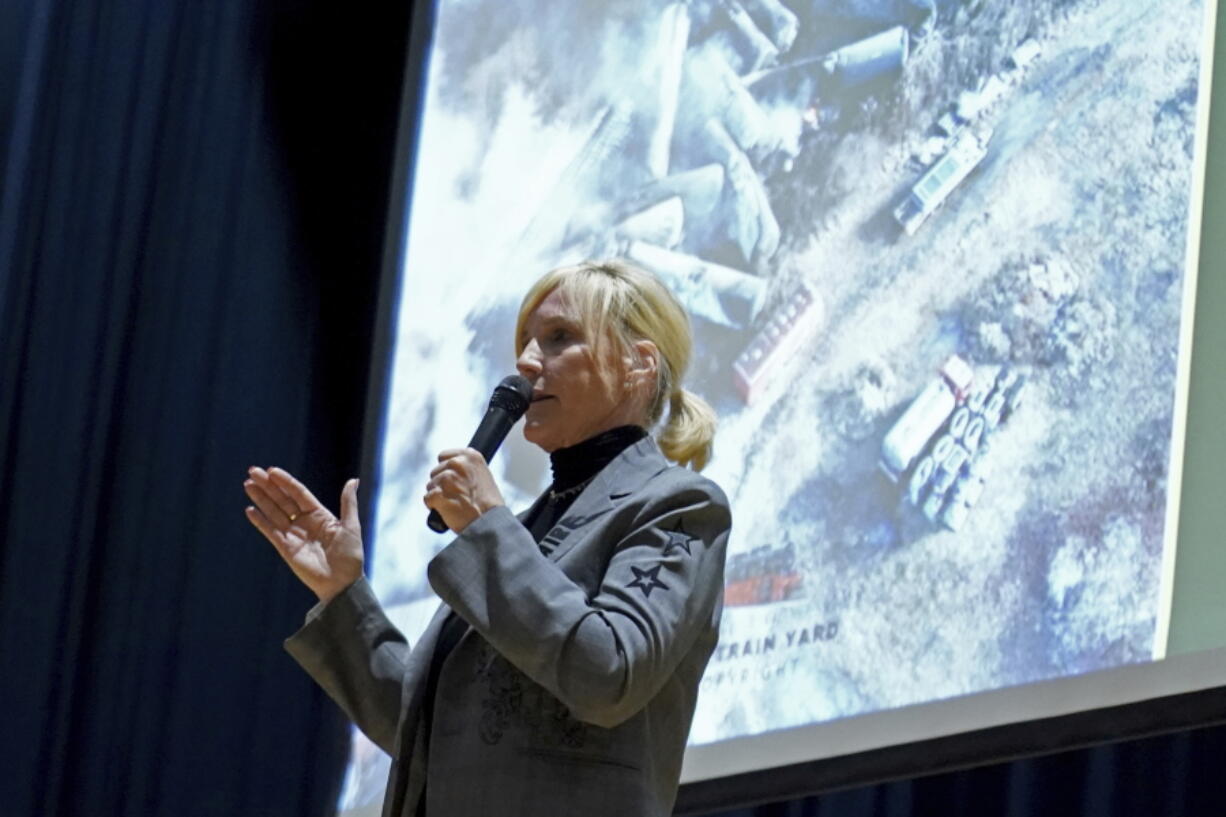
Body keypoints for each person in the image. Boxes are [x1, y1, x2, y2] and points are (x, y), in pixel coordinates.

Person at [243, 259, 732, 817]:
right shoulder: (522, 531)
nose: (524, 364)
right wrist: (343, 593)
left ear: (638, 364)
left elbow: (606, 672)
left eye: (559, 339)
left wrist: (486, 525)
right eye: (525, 342)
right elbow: (432, 734)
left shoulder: (678, 506)